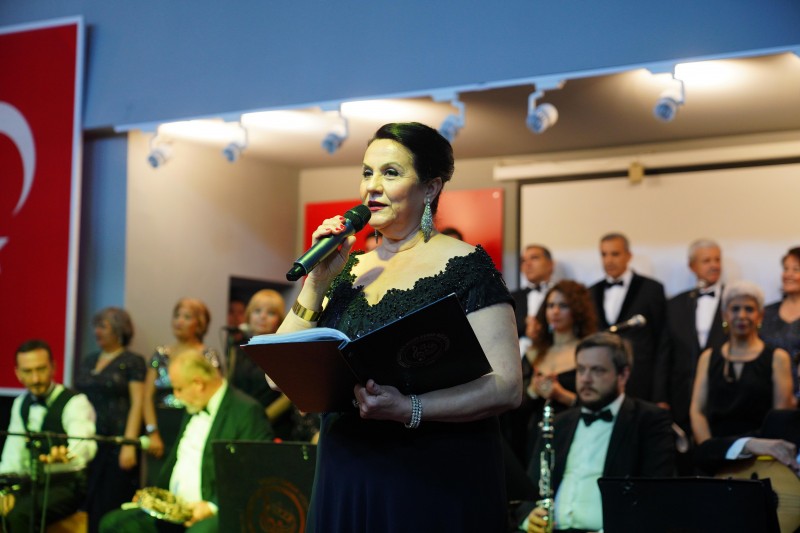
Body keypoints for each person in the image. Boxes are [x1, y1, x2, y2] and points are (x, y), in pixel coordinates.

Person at [275, 122, 522, 532]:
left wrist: (409, 408)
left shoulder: (467, 266)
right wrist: (316, 283)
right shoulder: (345, 268)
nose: (372, 186)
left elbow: (507, 386)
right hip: (346, 472)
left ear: (430, 188)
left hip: (430, 477)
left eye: (390, 173)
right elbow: (278, 373)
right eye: (367, 172)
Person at [514, 332, 675, 533]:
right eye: (581, 369)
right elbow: (529, 489)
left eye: (597, 370)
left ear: (623, 375)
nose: (586, 379)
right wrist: (529, 517)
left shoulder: (649, 421)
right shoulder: (559, 423)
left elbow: (655, 496)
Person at [99, 350, 274, 533]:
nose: (176, 396)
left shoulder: (246, 411)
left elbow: (255, 473)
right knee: (113, 524)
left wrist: (212, 506)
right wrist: (153, 498)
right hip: (175, 508)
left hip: (217, 511)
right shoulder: (195, 403)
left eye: (179, 389)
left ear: (198, 384)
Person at [689, 280, 796, 463]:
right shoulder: (708, 357)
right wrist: (712, 450)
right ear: (724, 314)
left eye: (749, 309)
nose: (742, 315)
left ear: (760, 315)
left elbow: (780, 417)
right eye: (735, 309)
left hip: (761, 459)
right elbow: (697, 411)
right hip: (716, 458)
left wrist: (759, 452)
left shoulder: (778, 358)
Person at [0, 339, 97, 532]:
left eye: (41, 369)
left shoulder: (75, 402)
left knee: (19, 515)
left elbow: (85, 446)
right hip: (30, 484)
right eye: (28, 371)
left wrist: (68, 455)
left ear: (53, 367)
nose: (36, 378)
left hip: (66, 485)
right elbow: (13, 456)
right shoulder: (20, 403)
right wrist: (3, 490)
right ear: (18, 373)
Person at [504, 280, 597, 466]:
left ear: (577, 310)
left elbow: (599, 406)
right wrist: (532, 391)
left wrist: (561, 395)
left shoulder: (588, 353)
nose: (555, 311)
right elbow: (513, 407)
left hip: (576, 438)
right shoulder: (533, 353)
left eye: (563, 306)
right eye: (550, 305)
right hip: (534, 441)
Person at [74, 307, 146, 533]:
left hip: (116, 443)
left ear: (119, 330)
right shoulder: (89, 360)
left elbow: (138, 402)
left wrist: (128, 443)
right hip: (89, 441)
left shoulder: (132, 361)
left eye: (103, 326)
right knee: (86, 504)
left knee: (110, 504)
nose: (97, 331)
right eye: (96, 326)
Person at [142, 298, 223, 485]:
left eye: (186, 317)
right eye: (177, 316)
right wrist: (152, 431)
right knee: (157, 482)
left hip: (192, 421)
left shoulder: (208, 356)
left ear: (200, 324)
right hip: (161, 424)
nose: (179, 321)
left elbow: (215, 394)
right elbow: (147, 396)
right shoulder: (160, 353)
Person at [655, 240, 726, 446]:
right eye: (707, 260)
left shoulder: (733, 301)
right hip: (681, 399)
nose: (714, 265)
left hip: (723, 398)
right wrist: (660, 398)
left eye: (717, 260)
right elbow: (664, 354)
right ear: (692, 266)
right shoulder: (675, 304)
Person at [228, 289, 319, 441]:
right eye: (257, 311)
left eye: (270, 313)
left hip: (273, 428)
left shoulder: (283, 351)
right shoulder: (235, 350)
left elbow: (288, 397)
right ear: (249, 315)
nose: (262, 317)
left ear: (280, 319)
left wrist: (260, 418)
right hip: (239, 424)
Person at [589, 232, 666, 401]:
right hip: (603, 382)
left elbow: (662, 343)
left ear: (629, 255)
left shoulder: (651, 289)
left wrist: (660, 395)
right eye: (604, 254)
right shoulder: (591, 292)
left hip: (641, 381)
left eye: (615, 254)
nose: (609, 260)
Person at [761, 246, 800, 396]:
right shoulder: (765, 312)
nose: (788, 274)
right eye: (786, 269)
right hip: (768, 394)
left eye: (796, 269)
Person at [511, 245, 556, 355]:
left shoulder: (562, 295)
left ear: (550, 264)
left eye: (534, 258)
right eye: (523, 260)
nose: (528, 264)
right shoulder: (511, 298)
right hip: (518, 357)